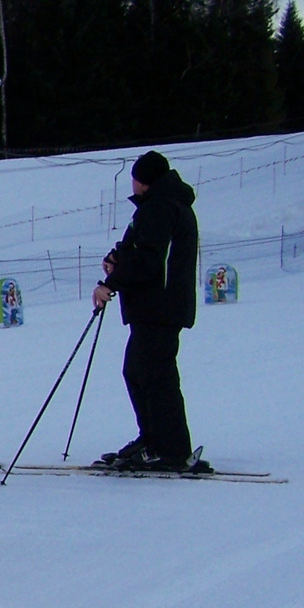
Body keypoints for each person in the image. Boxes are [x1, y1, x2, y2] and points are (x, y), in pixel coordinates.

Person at [91, 151, 206, 473]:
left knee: (153, 376)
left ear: (143, 181)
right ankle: (155, 439)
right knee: (141, 373)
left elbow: (148, 260)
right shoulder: (168, 205)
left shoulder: (159, 207)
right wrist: (118, 258)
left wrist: (109, 283)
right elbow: (143, 251)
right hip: (160, 306)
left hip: (158, 306)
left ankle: (167, 449)